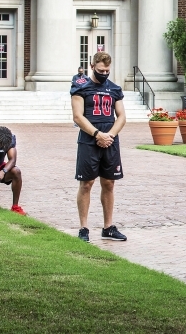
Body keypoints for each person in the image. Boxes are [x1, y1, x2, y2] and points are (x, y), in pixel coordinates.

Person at [71, 52, 127, 242]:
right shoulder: (81, 87)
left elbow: (121, 116)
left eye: (107, 70)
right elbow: (78, 117)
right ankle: (84, 228)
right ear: (92, 65)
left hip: (110, 140)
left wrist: (109, 135)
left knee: (109, 183)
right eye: (101, 70)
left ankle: (108, 227)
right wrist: (97, 134)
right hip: (89, 140)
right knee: (86, 184)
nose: (104, 73)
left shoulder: (114, 89)